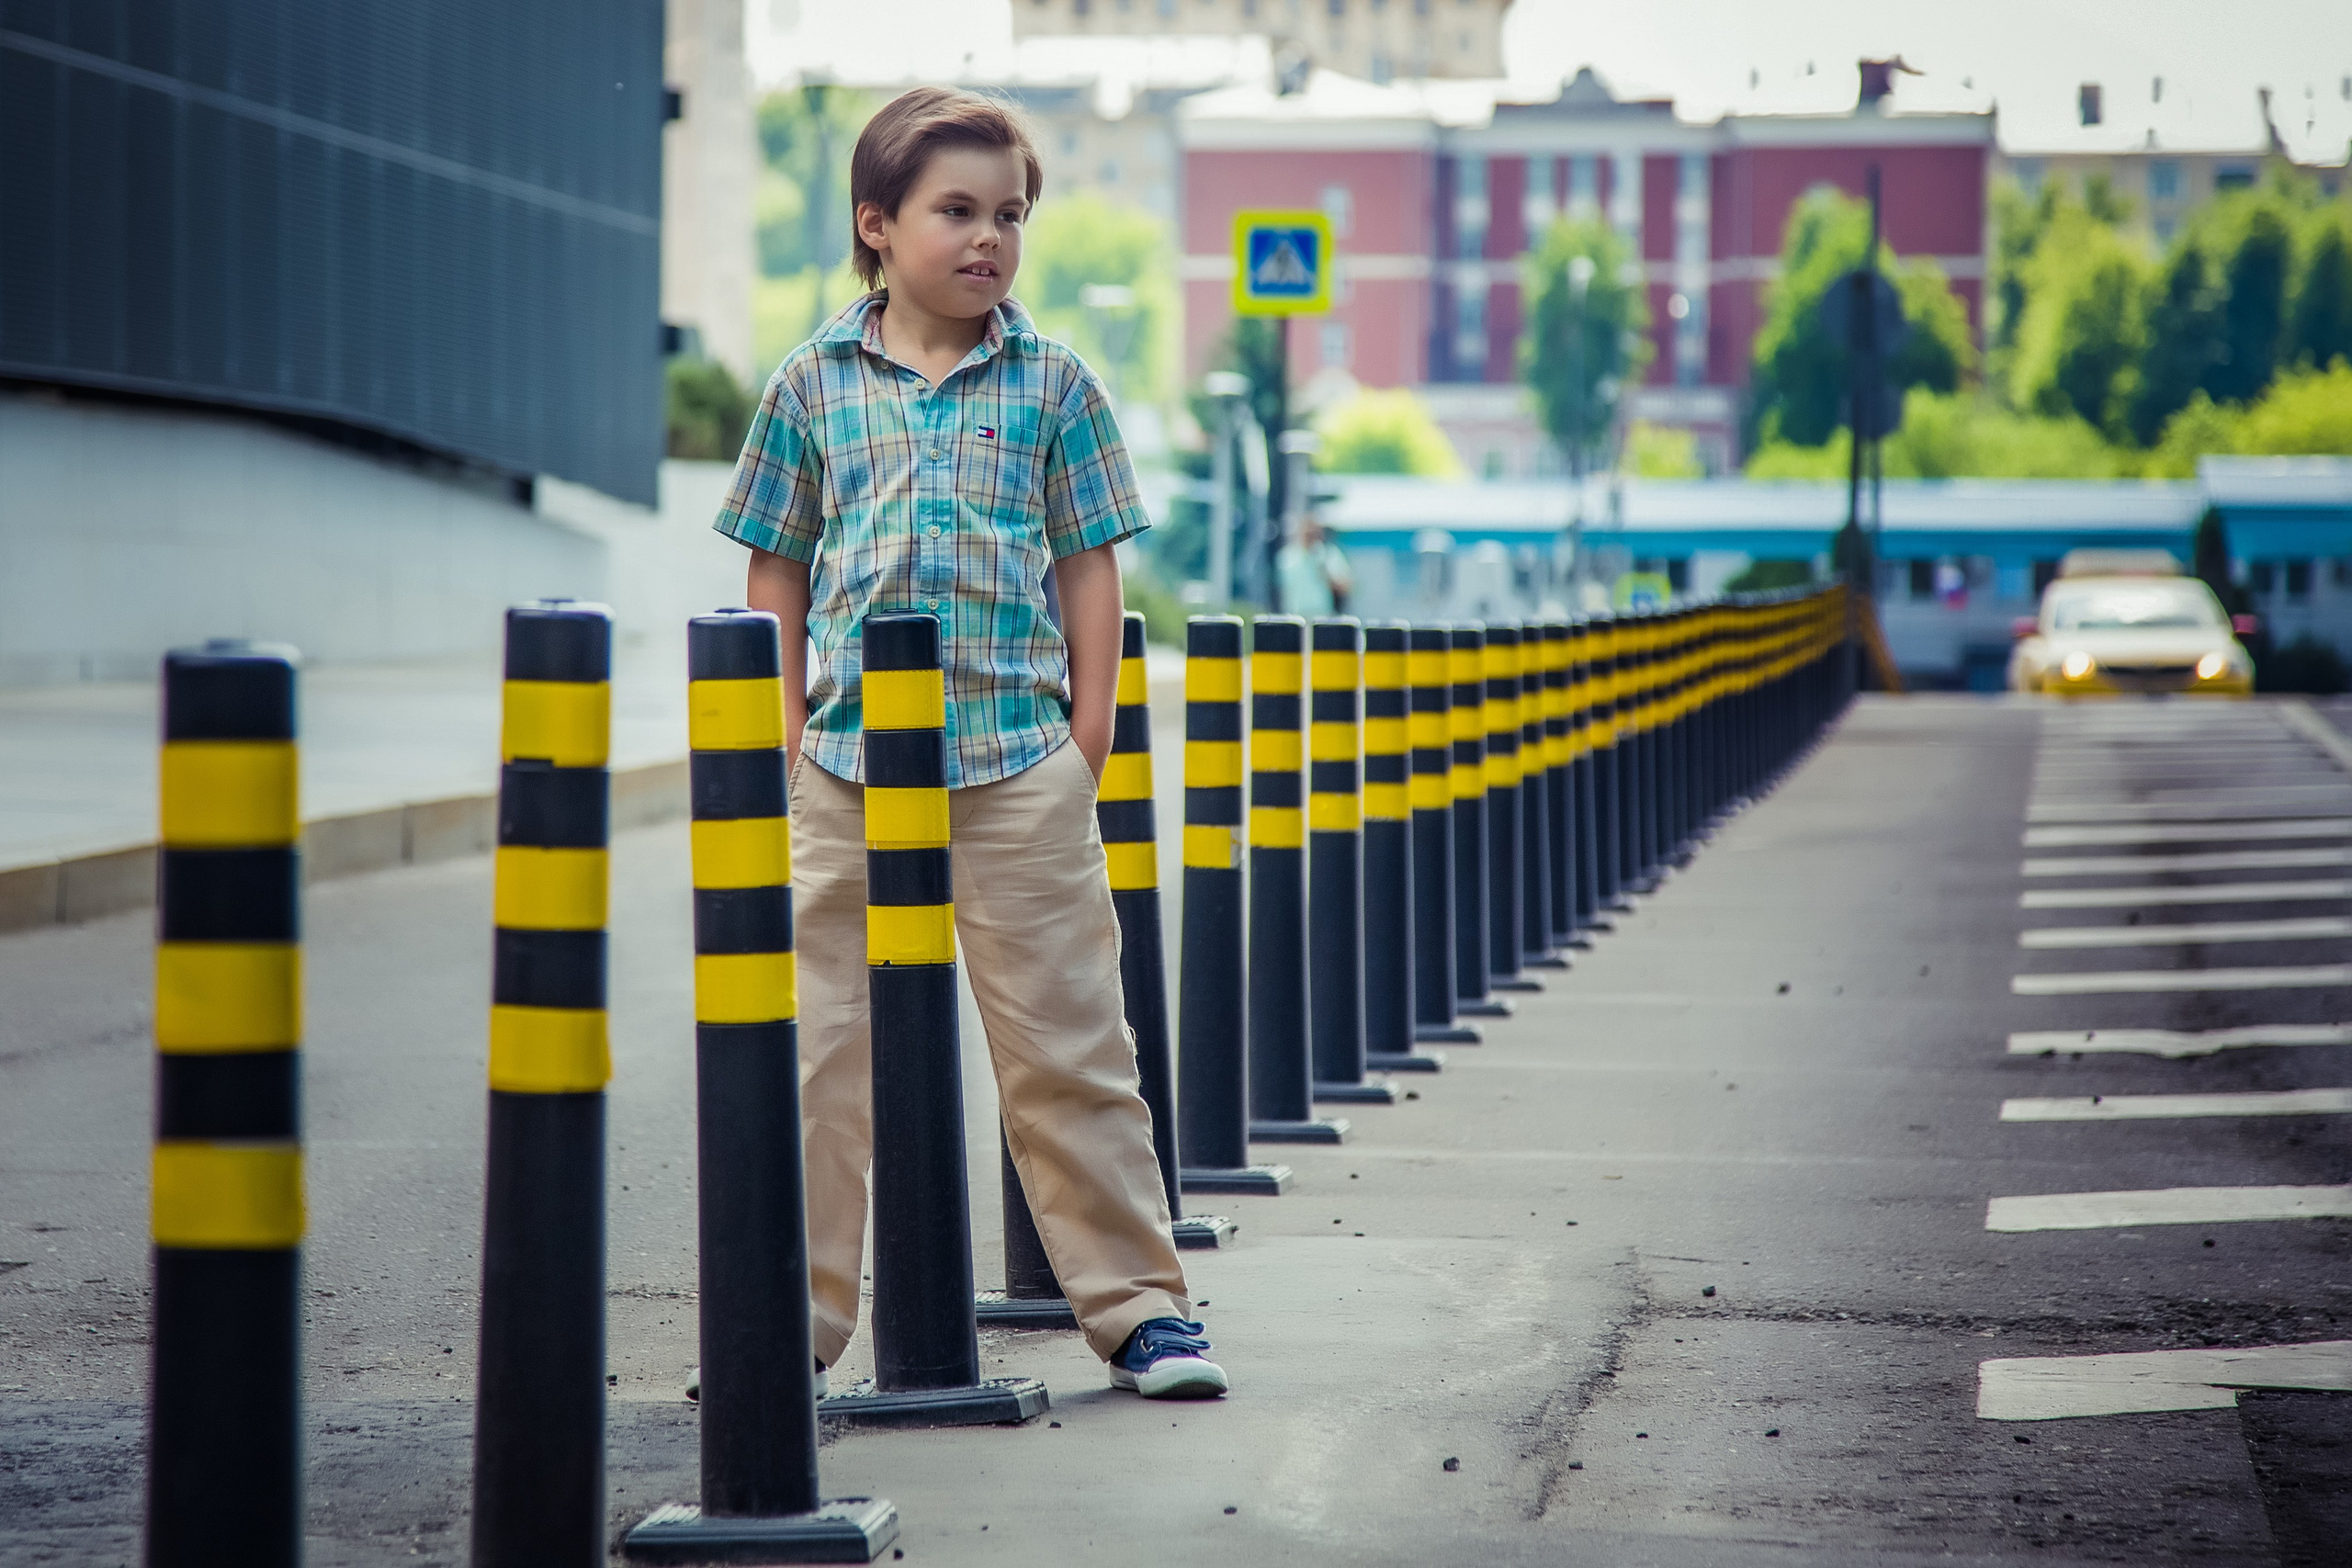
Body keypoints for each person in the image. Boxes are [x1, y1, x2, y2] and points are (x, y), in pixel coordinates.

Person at [710, 86, 1226, 1400]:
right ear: (876, 225)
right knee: (819, 1058)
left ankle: (1141, 1309)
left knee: (1072, 1050)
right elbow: (775, 566)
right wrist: (780, 730)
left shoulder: (1057, 383)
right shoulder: (810, 383)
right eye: (956, 210)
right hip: (845, 770)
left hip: (1015, 766)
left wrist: (1087, 733)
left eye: (1009, 215)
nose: (989, 237)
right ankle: (790, 1328)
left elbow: (1089, 562)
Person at [1275, 511, 1353, 616]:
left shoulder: (1329, 554)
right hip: (1296, 615)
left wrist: (1327, 575)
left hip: (1324, 615)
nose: (1310, 535)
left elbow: (1345, 586)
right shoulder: (1286, 557)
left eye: (1314, 531)